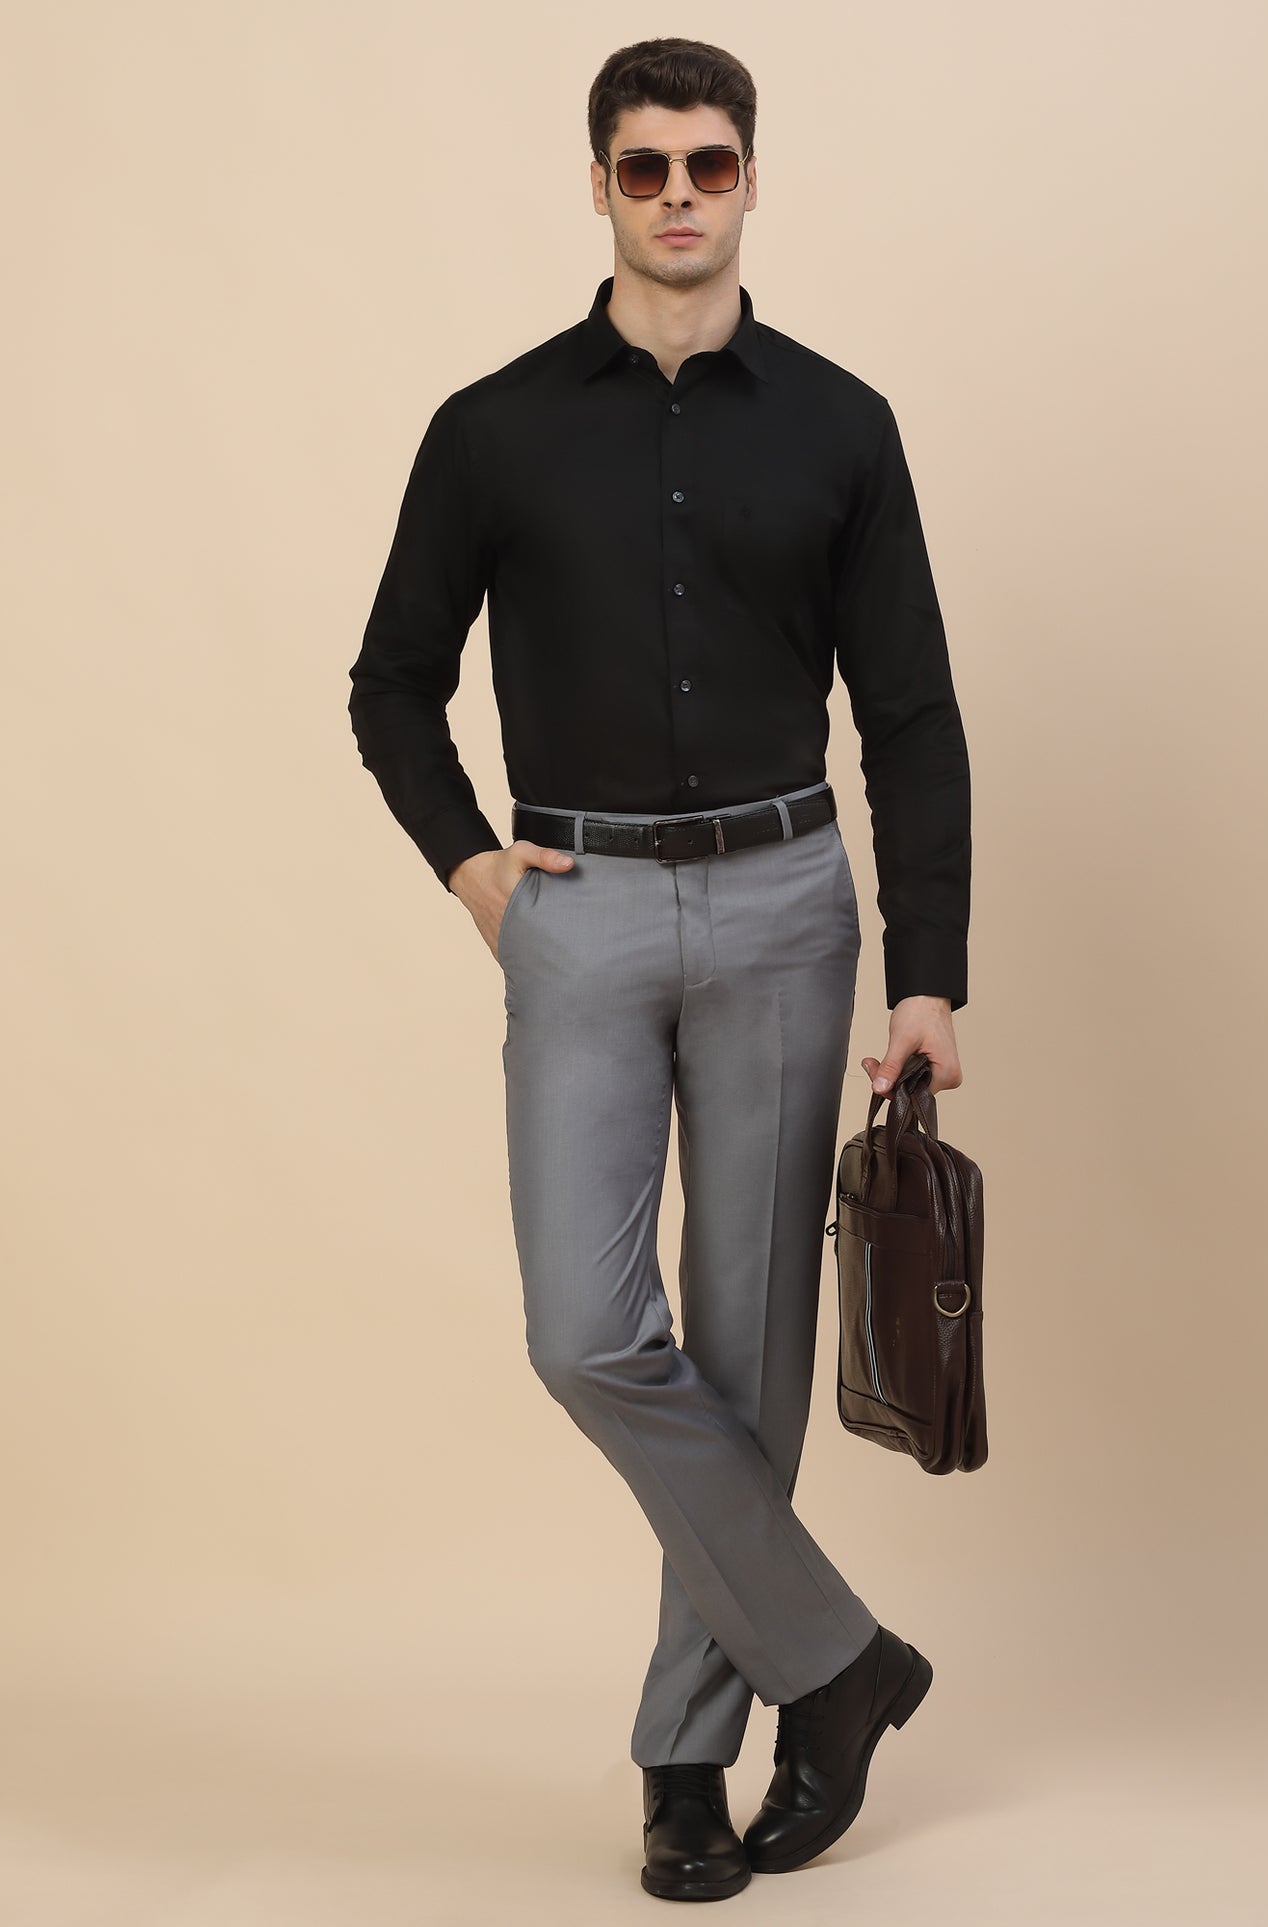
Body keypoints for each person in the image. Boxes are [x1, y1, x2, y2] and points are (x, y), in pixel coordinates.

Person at [347, 34, 970, 1905]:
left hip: (787, 906)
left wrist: (927, 971)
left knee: (749, 1353)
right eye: (645, 167)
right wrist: (475, 870)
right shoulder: (493, 427)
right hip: (582, 913)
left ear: (751, 177)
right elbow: (390, 681)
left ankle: (686, 1763)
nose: (679, 194)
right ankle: (840, 1663)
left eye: (708, 163)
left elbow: (909, 712)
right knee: (585, 1329)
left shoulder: (841, 424)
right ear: (600, 186)